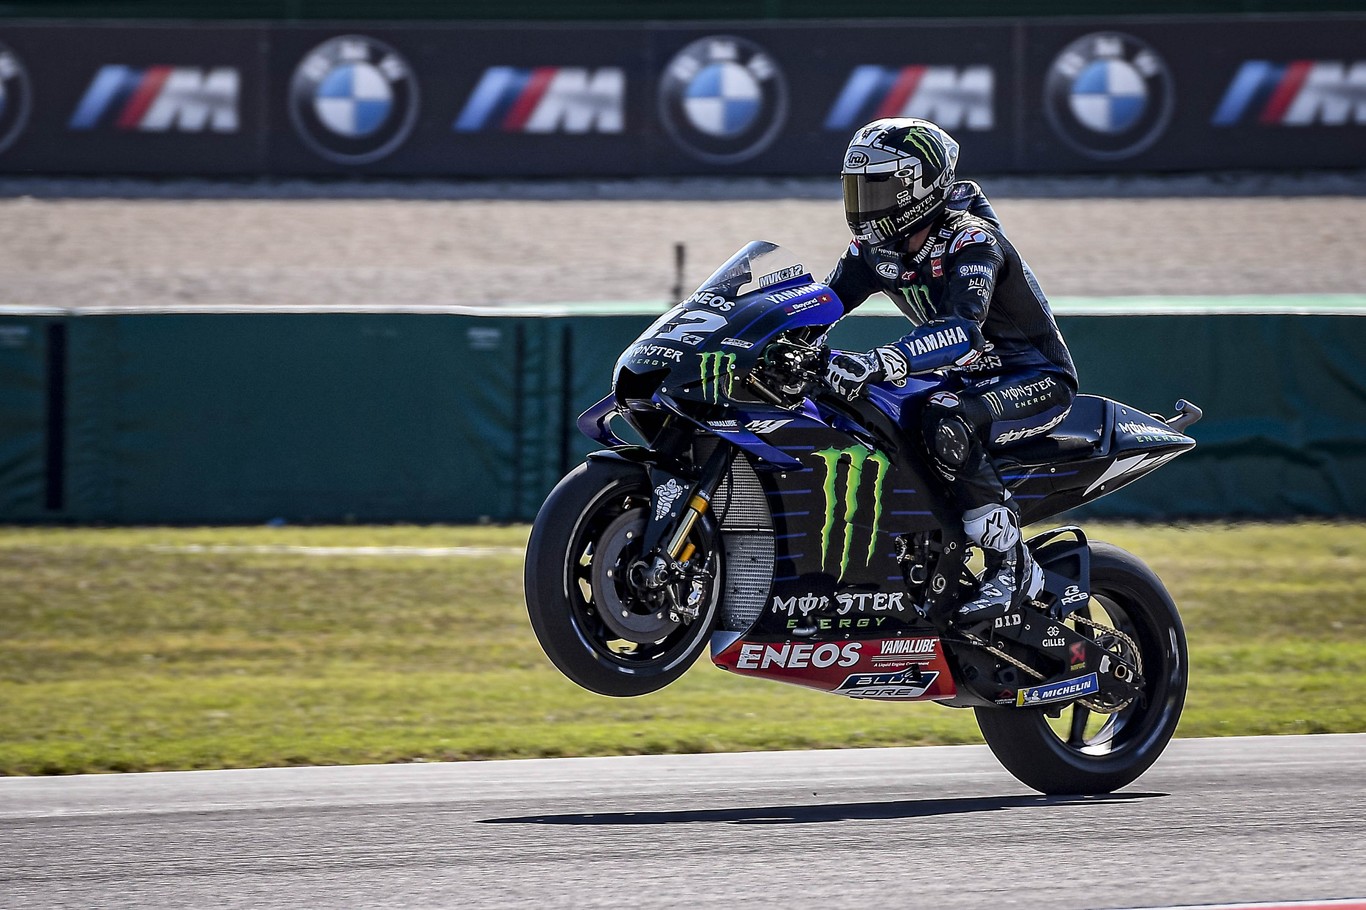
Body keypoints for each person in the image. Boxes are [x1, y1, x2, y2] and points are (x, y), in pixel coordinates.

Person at [821, 117, 1077, 627]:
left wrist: (883, 360)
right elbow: (823, 303)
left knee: (943, 415)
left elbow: (963, 330)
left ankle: (1012, 565)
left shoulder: (971, 241)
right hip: (965, 375)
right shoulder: (875, 250)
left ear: (921, 187)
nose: (863, 201)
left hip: (1033, 377)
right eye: (857, 187)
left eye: (880, 185)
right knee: (872, 413)